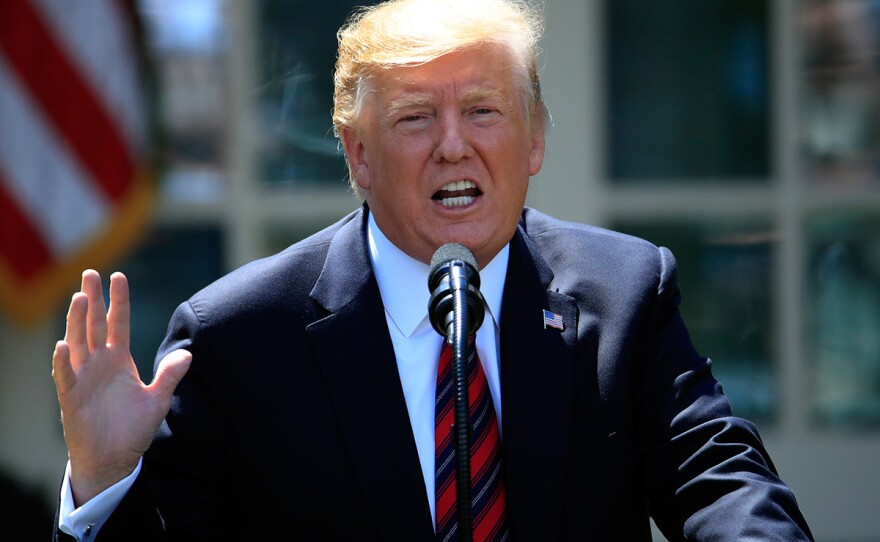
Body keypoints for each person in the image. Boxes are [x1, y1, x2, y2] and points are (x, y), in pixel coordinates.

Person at [52, 0, 814, 540]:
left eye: (484, 111)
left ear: (535, 139)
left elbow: (724, 486)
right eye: (416, 117)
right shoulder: (239, 338)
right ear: (358, 155)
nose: (453, 146)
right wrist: (104, 481)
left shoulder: (624, 293)